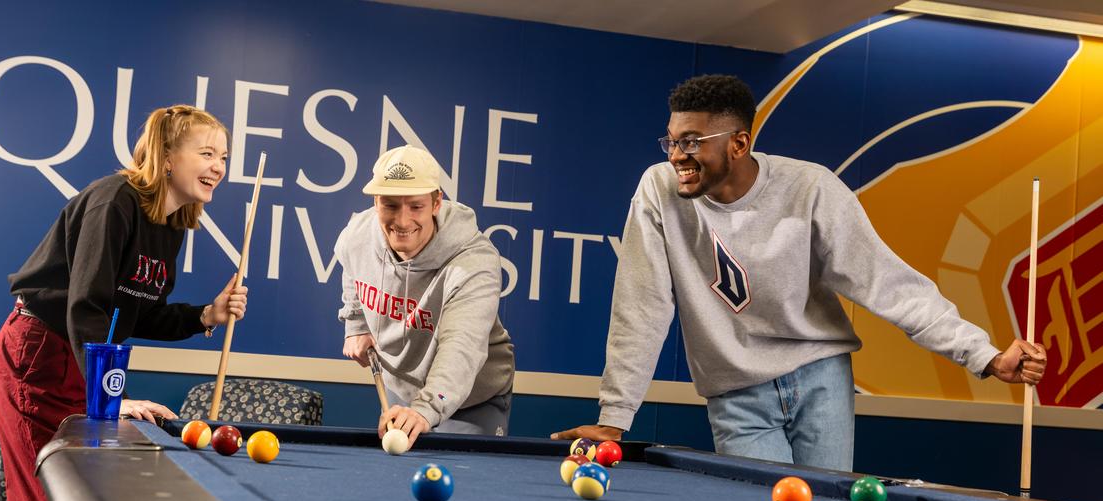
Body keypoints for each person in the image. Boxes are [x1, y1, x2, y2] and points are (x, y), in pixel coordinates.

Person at [552, 74, 1046, 471]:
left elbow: (889, 286)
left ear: (739, 144)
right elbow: (642, 304)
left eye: (692, 142)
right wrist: (614, 418)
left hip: (820, 379)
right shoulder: (658, 192)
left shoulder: (810, 189)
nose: (677, 155)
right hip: (736, 392)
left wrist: (984, 356)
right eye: (672, 141)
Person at [0, 104, 247, 501]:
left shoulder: (171, 223)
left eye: (224, 156)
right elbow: (87, 308)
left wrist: (206, 314)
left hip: (75, 359)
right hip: (37, 356)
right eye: (206, 152)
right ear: (166, 155)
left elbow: (133, 311)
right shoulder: (115, 201)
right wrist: (112, 398)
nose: (219, 166)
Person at [335, 145, 514, 450]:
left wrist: (426, 408)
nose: (402, 222)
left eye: (415, 206)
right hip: (399, 386)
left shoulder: (474, 262)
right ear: (376, 202)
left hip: (470, 397)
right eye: (390, 206)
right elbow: (350, 264)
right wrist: (356, 323)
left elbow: (462, 348)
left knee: (464, 484)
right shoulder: (359, 232)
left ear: (436, 202)